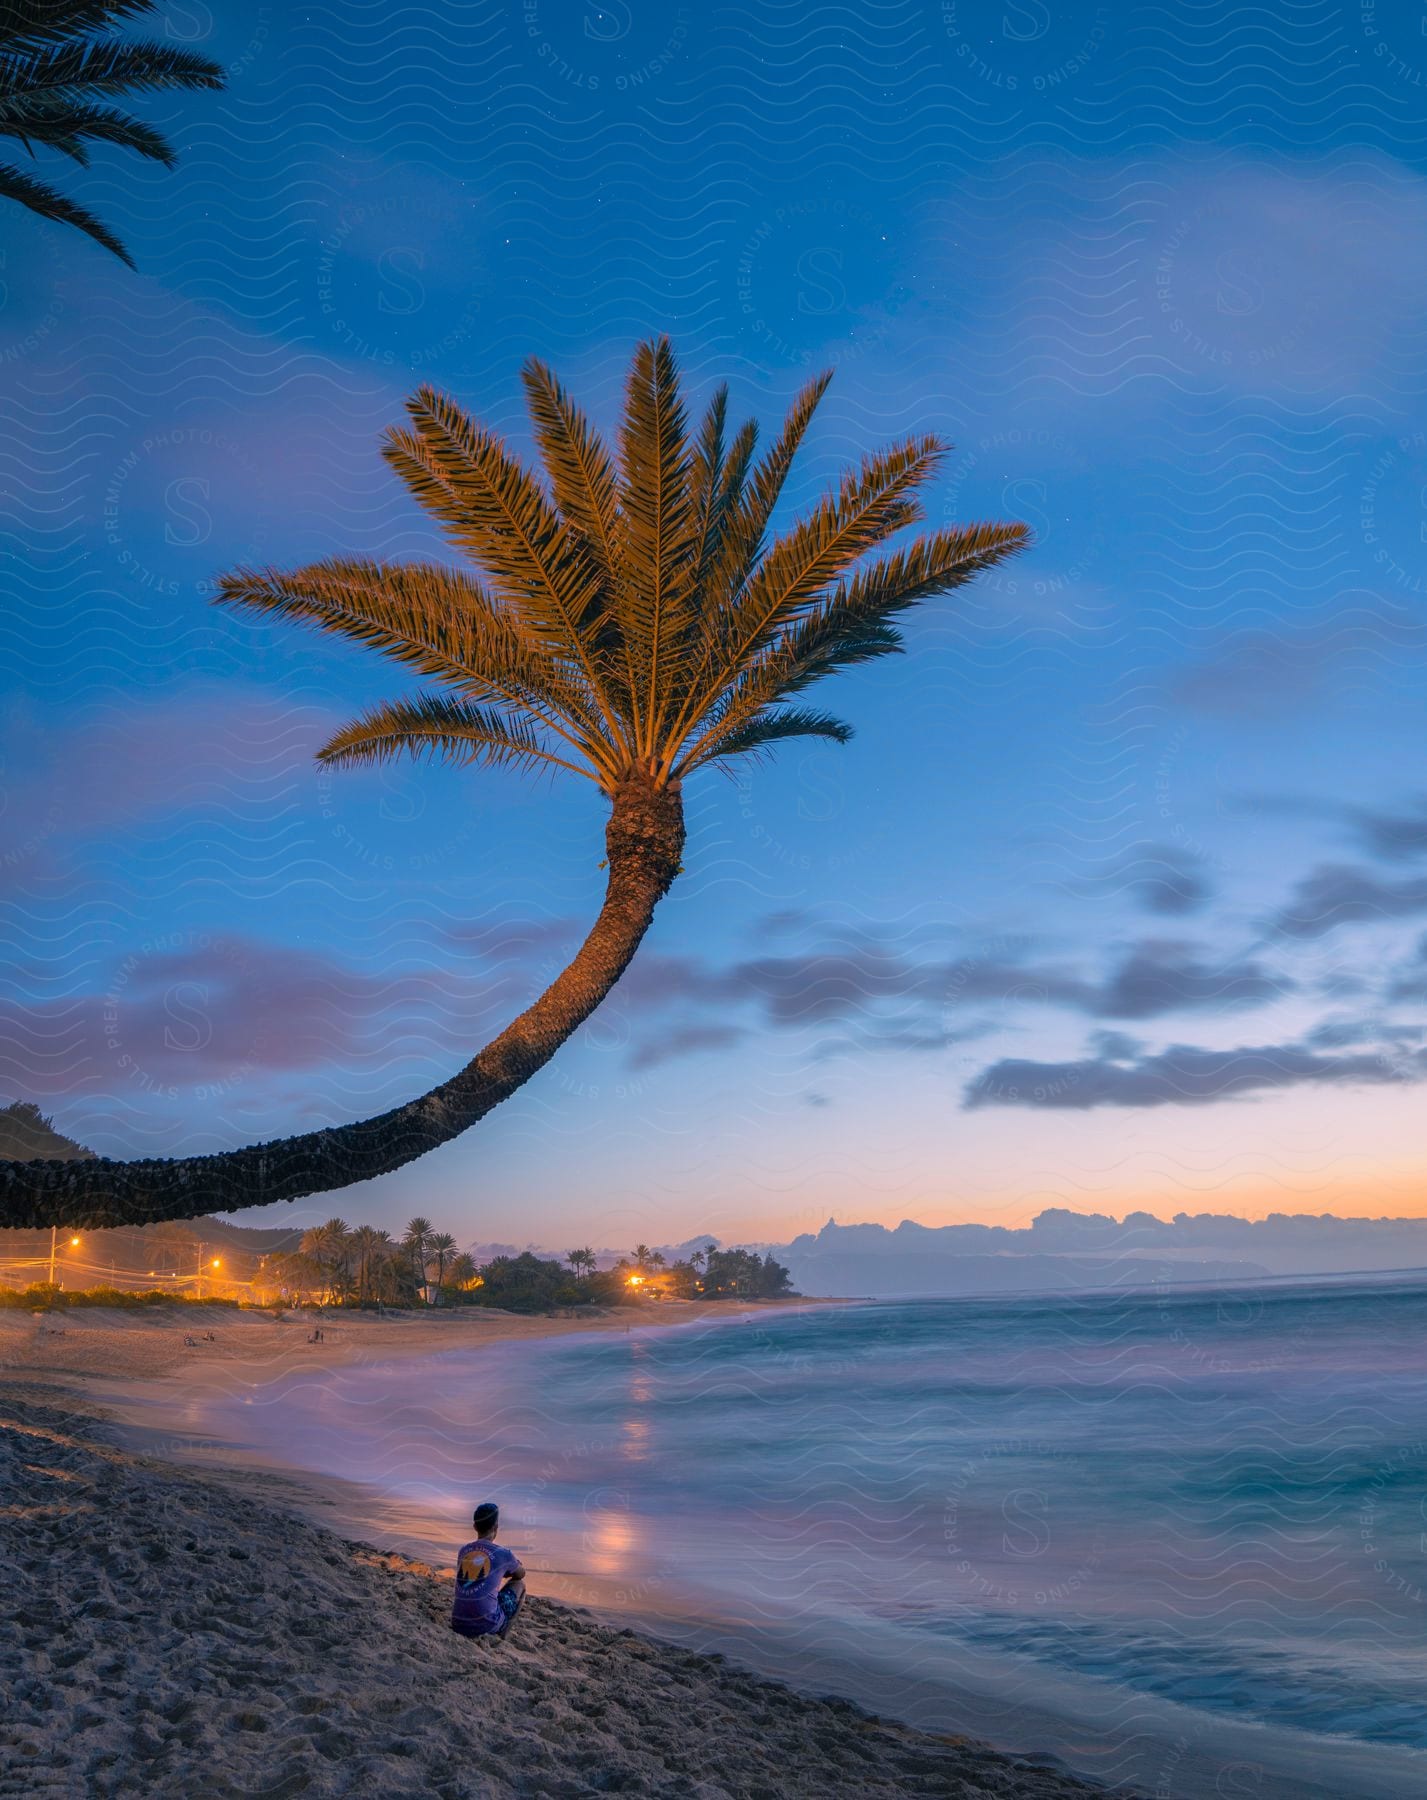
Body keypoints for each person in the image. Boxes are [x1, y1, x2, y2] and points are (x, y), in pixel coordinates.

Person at [450, 1502, 525, 1640]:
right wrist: (509, 1567)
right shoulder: (503, 1554)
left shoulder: (464, 1551)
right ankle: (504, 1631)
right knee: (520, 1585)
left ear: (474, 1527)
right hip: (486, 1625)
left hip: (457, 1623)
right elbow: (521, 1574)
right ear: (496, 1527)